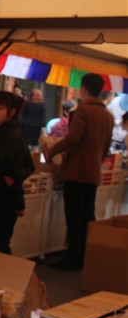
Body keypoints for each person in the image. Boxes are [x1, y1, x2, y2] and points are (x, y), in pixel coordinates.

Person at [47, 73, 114, 271]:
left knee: (74, 217)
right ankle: (84, 257)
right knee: (87, 216)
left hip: (76, 171)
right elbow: (106, 147)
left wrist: (52, 151)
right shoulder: (108, 116)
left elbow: (73, 138)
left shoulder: (83, 110)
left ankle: (73, 258)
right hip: (93, 173)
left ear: (83, 89)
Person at [0, 91, 34, 254]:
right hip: (7, 196)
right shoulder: (15, 132)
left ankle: (1, 272)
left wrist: (18, 201)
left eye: (0, 108)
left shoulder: (5, 136)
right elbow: (29, 166)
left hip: (1, 196)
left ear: (11, 112)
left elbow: (13, 170)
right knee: (0, 242)